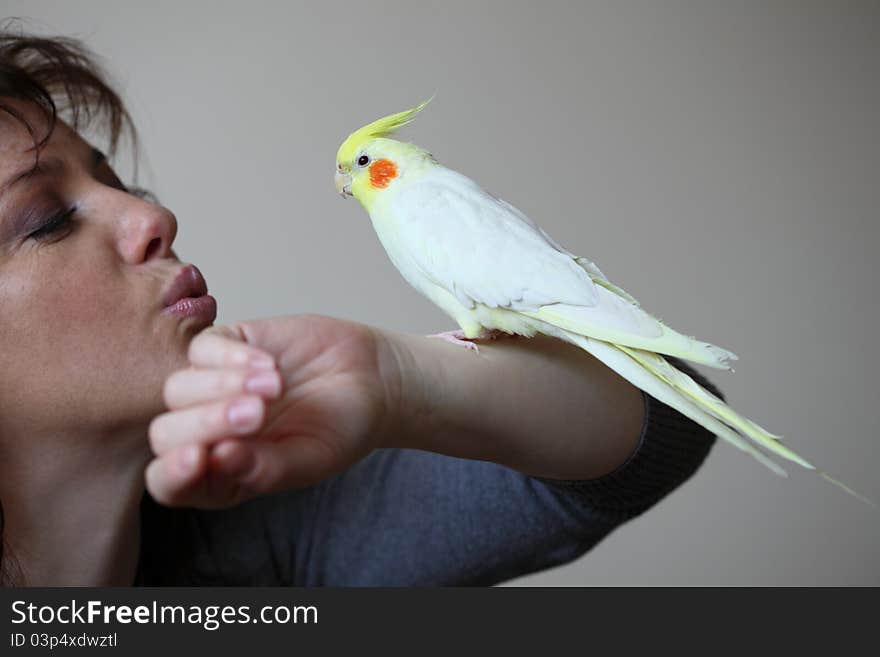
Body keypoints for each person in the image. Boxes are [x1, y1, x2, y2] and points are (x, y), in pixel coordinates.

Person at [0, 27, 722, 586]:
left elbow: (672, 422)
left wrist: (403, 379)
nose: (150, 215)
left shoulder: (274, 526)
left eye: (119, 180)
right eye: (46, 219)